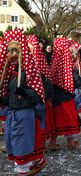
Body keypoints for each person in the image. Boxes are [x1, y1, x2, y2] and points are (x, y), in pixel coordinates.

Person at [0, 29, 47, 175]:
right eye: (10, 51)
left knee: (22, 146)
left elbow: (37, 97)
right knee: (13, 143)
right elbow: (12, 97)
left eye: (15, 50)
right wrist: (4, 100)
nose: (12, 54)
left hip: (24, 114)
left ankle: (24, 171)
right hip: (13, 114)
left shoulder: (29, 71)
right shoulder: (13, 74)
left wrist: (25, 92)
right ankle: (35, 162)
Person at [50, 38, 80, 150]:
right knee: (68, 120)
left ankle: (52, 143)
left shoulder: (54, 61)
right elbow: (74, 82)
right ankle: (71, 143)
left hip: (54, 96)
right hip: (66, 96)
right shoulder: (67, 64)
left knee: (55, 121)